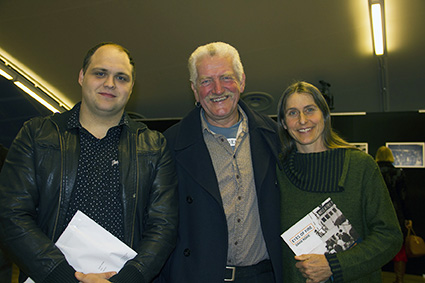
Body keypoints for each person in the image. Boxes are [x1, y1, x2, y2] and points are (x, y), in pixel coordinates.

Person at [0, 42, 178, 283]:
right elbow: (10, 214)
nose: (110, 84)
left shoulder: (154, 146)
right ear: (82, 76)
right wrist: (64, 277)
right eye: (100, 73)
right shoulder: (37, 135)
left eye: (122, 77)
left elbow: (164, 225)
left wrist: (128, 279)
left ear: (132, 87)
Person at [157, 42, 282, 282]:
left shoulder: (274, 137)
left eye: (226, 77)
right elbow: (158, 223)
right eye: (206, 81)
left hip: (264, 276)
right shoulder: (169, 145)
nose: (217, 89)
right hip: (199, 276)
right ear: (194, 89)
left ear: (242, 81)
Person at [276, 81, 403, 283]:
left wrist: (334, 265)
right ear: (283, 122)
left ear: (324, 116)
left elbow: (389, 237)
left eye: (310, 110)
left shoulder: (360, 167)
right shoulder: (277, 173)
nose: (302, 120)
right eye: (292, 113)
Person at [375, 146, 412, 283]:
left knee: (374, 248)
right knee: (400, 250)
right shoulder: (398, 173)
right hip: (396, 214)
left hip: (375, 213)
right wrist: (408, 217)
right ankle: (399, 279)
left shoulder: (373, 171)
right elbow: (403, 196)